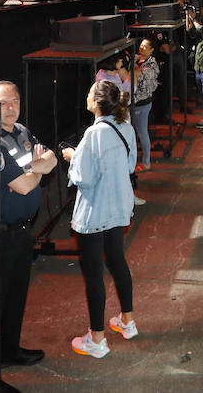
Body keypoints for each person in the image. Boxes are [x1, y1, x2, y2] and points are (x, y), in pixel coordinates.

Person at [0, 81, 56, 392]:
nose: (11, 107)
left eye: (15, 101)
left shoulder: (20, 131)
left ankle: (10, 350)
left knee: (16, 295)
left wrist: (42, 166)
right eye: (4, 103)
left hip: (18, 232)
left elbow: (51, 156)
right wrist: (40, 169)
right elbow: (25, 185)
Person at [61, 79, 137, 359]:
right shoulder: (125, 128)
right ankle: (127, 322)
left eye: (90, 92)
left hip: (95, 212)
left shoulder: (93, 135)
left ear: (96, 103)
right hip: (119, 207)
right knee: (117, 261)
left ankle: (97, 339)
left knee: (94, 274)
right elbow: (129, 166)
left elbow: (84, 178)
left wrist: (72, 157)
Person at [131, 38, 160, 172]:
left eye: (145, 47)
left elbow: (144, 82)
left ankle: (147, 162)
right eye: (141, 46)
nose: (141, 48)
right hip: (135, 103)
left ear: (152, 50)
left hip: (142, 104)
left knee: (142, 133)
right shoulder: (138, 59)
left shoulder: (152, 65)